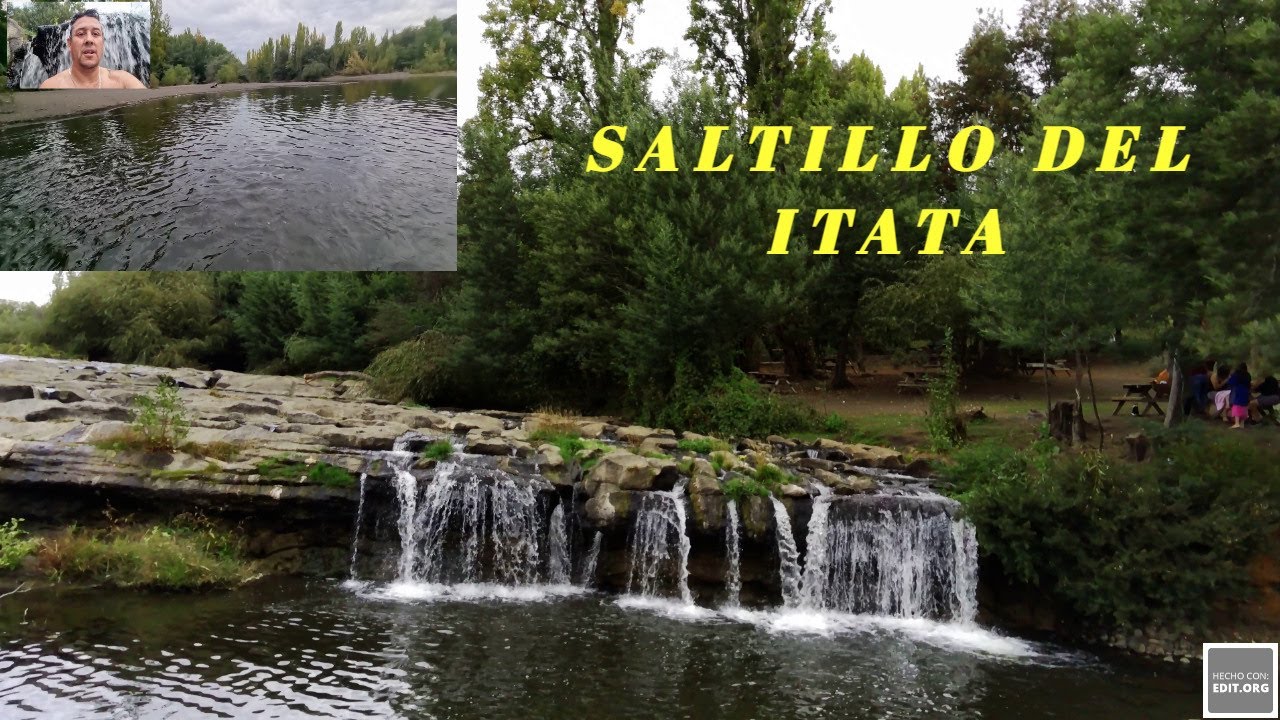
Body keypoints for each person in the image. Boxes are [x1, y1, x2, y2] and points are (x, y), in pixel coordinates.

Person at [39, 10, 146, 89]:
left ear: (103, 42)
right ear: (69, 44)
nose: (89, 40)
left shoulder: (124, 81)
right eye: (81, 34)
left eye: (95, 34)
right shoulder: (50, 86)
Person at [1226, 362, 1252, 429]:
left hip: (1239, 390)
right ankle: (1242, 423)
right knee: (1244, 406)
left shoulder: (1237, 374)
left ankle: (1237, 423)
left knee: (1236, 406)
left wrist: (1230, 377)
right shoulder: (1248, 375)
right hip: (1246, 391)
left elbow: (1231, 382)